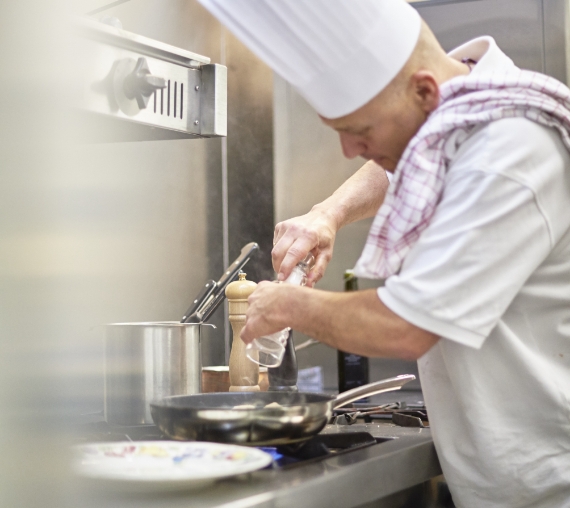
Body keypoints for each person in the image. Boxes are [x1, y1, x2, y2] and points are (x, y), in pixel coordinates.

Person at [198, 1, 570, 507]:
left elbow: (406, 326)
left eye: (360, 131)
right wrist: (326, 214)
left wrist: (285, 305)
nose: (350, 150)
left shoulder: (507, 156)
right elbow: (400, 163)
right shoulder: (463, 112)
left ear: (423, 90)